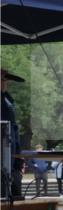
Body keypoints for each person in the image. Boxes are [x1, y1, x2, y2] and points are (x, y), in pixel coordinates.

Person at [1, 69, 25, 198]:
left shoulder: (7, 99)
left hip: (11, 152)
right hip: (3, 152)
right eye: (2, 80)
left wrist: (19, 157)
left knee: (14, 191)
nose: (4, 83)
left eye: (5, 80)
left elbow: (13, 128)